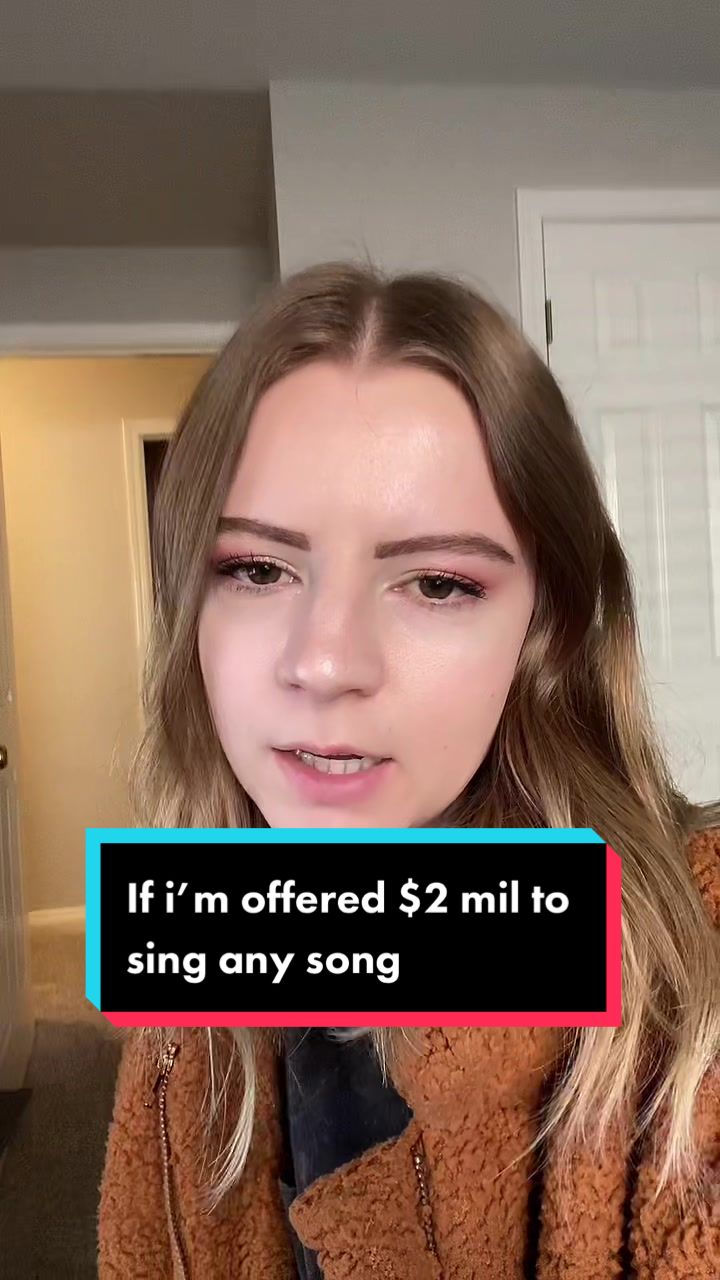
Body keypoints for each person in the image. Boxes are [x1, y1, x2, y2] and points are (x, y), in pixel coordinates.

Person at [98, 262, 720, 1279]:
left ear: (549, 626)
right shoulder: (191, 973)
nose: (326, 662)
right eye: (256, 568)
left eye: (435, 582)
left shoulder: (693, 983)